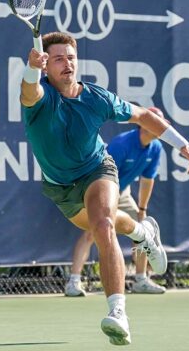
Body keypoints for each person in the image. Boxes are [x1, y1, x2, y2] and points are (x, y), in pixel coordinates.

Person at [21, 31, 189, 346]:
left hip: (97, 170)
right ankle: (144, 234)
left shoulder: (97, 98)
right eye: (59, 59)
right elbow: (28, 91)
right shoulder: (40, 99)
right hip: (60, 187)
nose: (67, 65)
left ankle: (118, 312)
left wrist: (181, 144)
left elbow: (143, 116)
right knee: (112, 223)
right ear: (47, 65)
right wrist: (30, 69)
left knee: (103, 226)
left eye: (72, 58)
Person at [65, 106, 168, 297]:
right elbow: (101, 173)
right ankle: (73, 281)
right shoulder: (122, 144)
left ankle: (141, 279)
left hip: (122, 191)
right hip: (99, 186)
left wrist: (142, 209)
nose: (161, 129)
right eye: (157, 124)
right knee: (92, 231)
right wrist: (102, 201)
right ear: (144, 126)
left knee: (141, 231)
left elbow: (147, 180)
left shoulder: (156, 148)